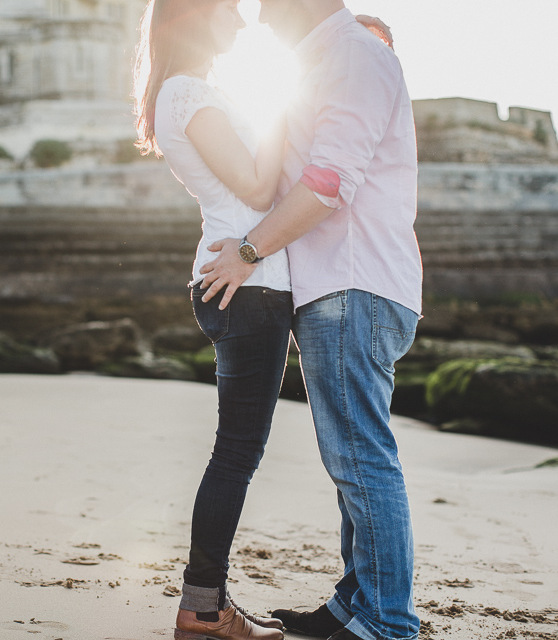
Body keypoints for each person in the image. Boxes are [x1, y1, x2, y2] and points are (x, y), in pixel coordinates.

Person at [132, 1, 394, 639]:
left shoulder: (189, 92)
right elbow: (254, 187)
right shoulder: (188, 93)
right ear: (193, 17)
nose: (242, 20)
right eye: (226, 8)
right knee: (236, 453)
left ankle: (206, 600)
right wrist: (280, 100)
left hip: (243, 281)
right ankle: (201, 606)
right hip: (245, 284)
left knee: (237, 451)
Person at [196, 0, 423, 639]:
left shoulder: (353, 55)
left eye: (268, 4)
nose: (260, 18)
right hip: (343, 286)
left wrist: (248, 251)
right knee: (350, 454)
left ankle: (387, 622)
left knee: (359, 455)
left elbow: (328, 182)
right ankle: (355, 603)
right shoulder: (332, 56)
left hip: (355, 285)